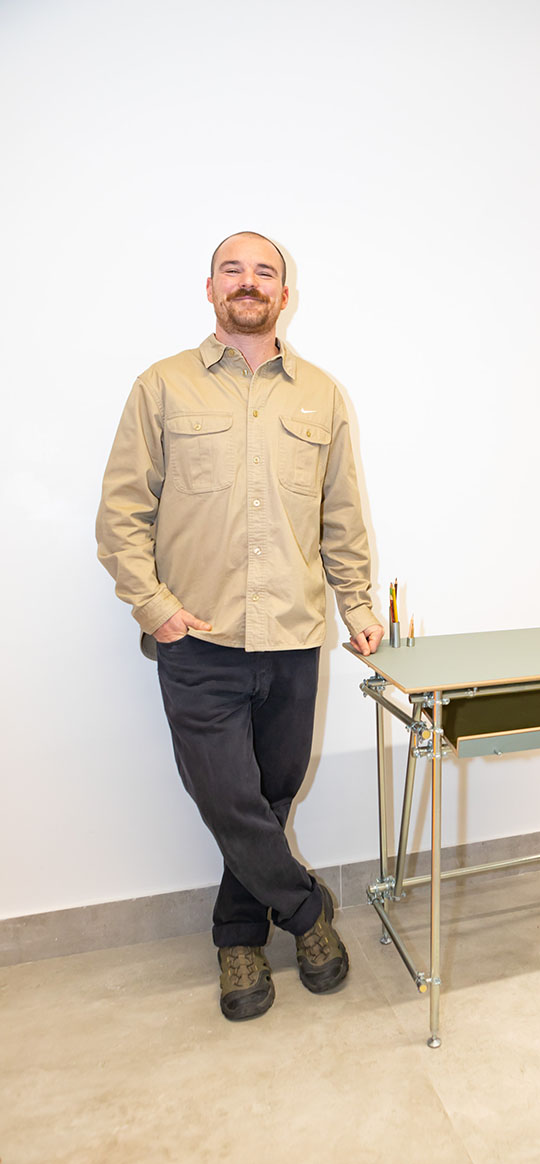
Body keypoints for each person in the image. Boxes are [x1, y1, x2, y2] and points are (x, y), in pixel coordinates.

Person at [96, 232, 383, 1021]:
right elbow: (121, 514)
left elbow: (342, 516)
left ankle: (236, 937)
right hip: (199, 640)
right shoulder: (162, 387)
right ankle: (305, 912)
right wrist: (157, 608)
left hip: (293, 638)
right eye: (234, 269)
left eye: (266, 272)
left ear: (284, 295)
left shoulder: (320, 395)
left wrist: (356, 607)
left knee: (270, 797)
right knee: (227, 797)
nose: (249, 282)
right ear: (211, 288)